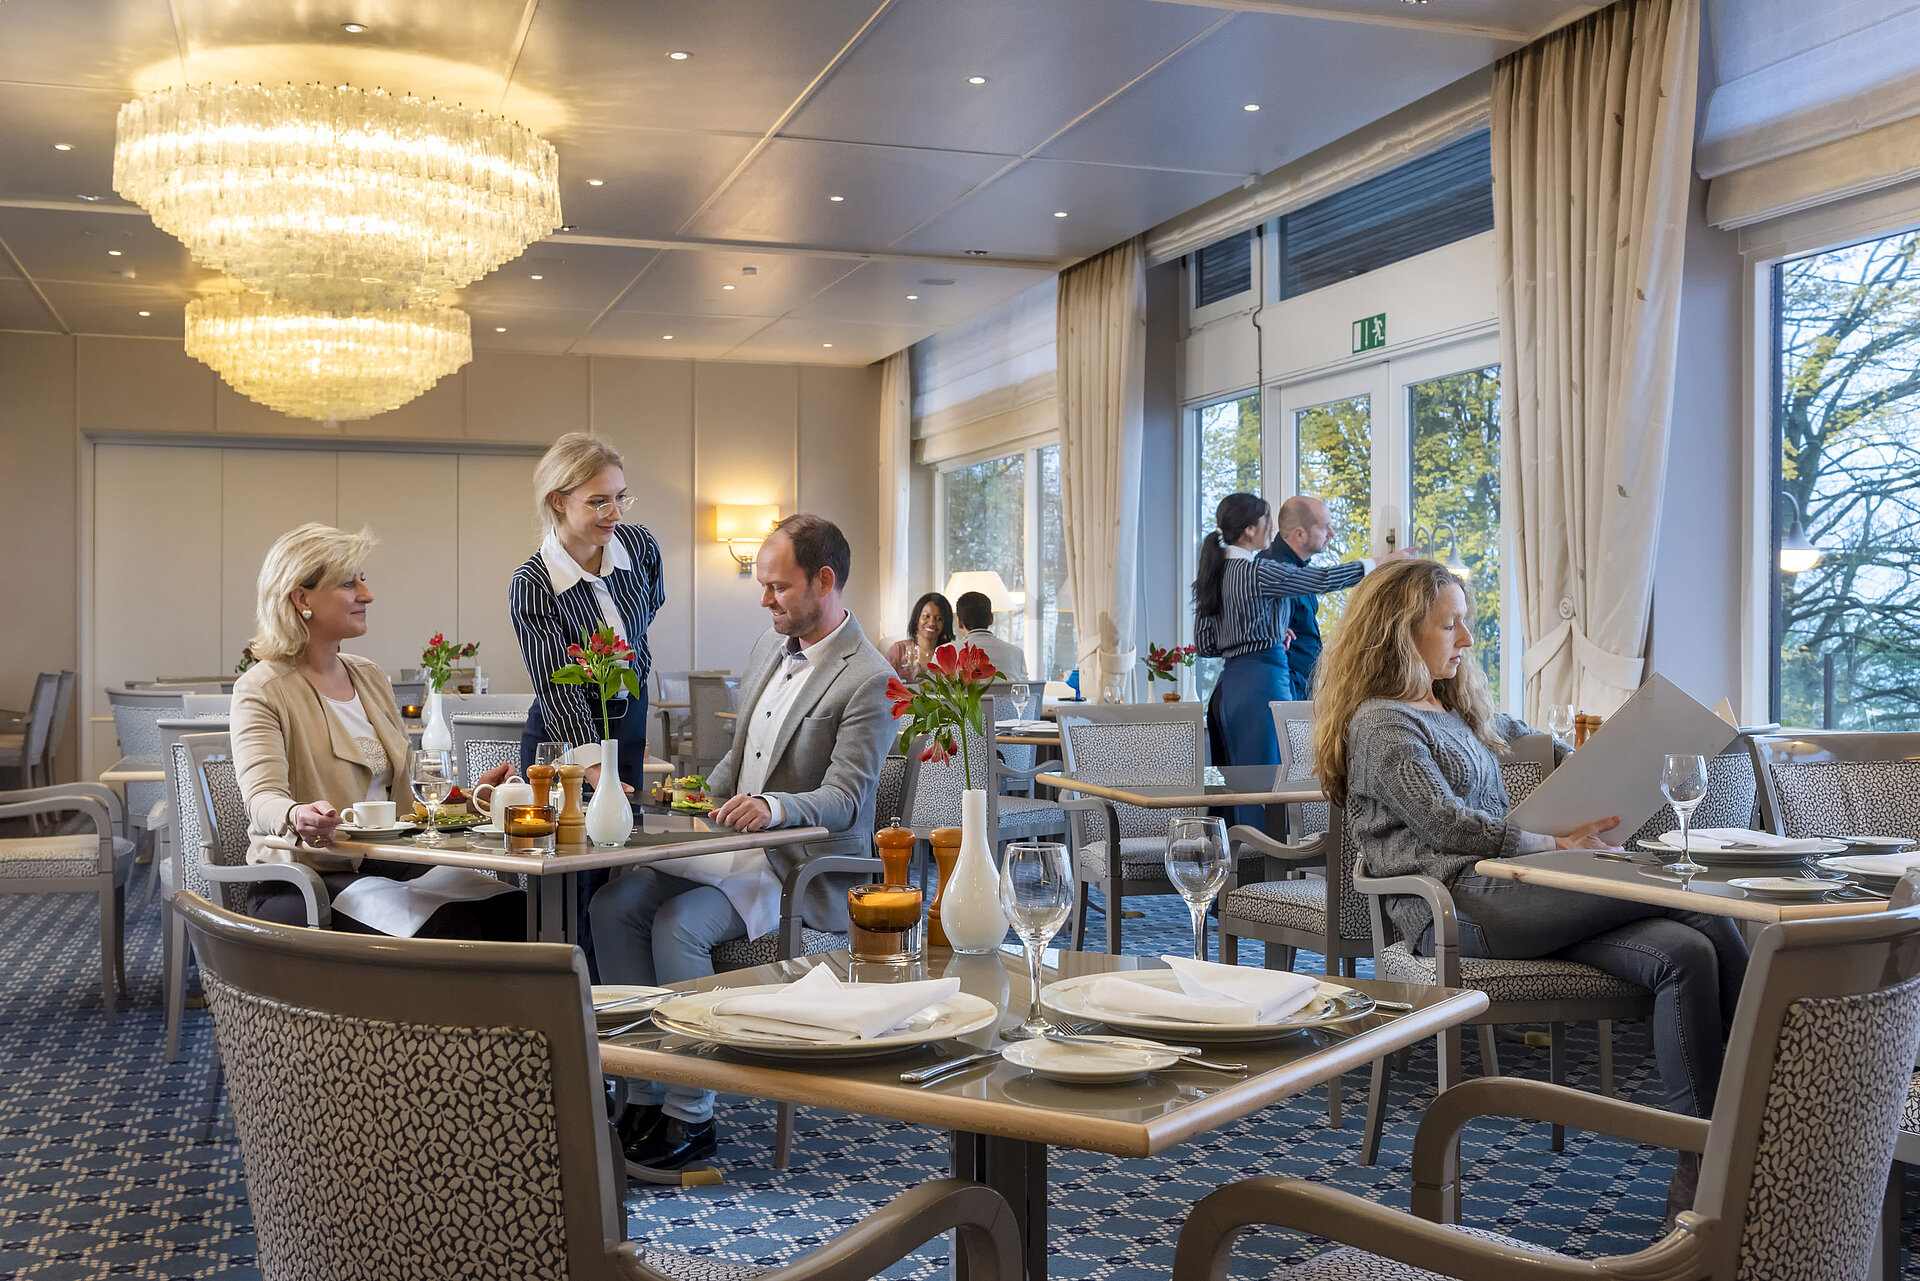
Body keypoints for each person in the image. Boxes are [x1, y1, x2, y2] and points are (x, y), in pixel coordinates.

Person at [1314, 558, 1745, 1214]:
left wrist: (1609, 759)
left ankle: (1703, 1163)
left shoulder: (1454, 707)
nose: (1466, 639)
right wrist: (1553, 845)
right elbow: (1446, 822)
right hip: (1457, 908)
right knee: (1698, 906)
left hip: (1518, 898)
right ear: (1400, 632)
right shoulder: (1382, 722)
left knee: (1685, 952)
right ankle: (1781, 1100)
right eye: (1450, 625)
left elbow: (1542, 742)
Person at [590, 513, 895, 1176]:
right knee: (613, 904)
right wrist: (701, 792)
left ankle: (692, 1115)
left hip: (798, 864)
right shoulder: (768, 646)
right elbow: (742, 754)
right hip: (732, 847)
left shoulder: (869, 678)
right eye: (763, 585)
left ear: (824, 581)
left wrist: (773, 806)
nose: (764, 600)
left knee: (677, 922)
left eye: (778, 587)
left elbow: (847, 796)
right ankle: (643, 1091)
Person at [230, 523, 524, 939]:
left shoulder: (369, 676)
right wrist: (297, 815)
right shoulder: (262, 688)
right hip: (304, 879)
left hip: (388, 864)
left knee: (515, 911)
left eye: (362, 581)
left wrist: (472, 800)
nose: (367, 595)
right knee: (451, 928)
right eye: (349, 584)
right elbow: (261, 798)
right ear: (302, 598)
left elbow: (401, 802)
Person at [508, 433, 664, 971]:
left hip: (628, 719)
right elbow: (557, 685)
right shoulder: (534, 583)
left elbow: (647, 613)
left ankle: (610, 997)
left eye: (620, 497)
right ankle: (564, 995)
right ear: (559, 500)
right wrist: (594, 766)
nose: (614, 513)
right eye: (598, 501)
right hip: (563, 734)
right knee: (571, 874)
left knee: (616, 863)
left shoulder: (639, 547)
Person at [1194, 491, 1398, 827]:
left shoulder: (1213, 575)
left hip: (1231, 687)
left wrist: (1266, 636)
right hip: (1263, 683)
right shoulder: (1257, 572)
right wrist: (1376, 564)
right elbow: (1320, 580)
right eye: (1266, 522)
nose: (1271, 529)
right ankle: (1268, 856)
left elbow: (1206, 645)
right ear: (1250, 529)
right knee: (1270, 786)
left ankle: (1242, 854)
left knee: (1241, 786)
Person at [1271, 495, 1347, 699]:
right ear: (1300, 534)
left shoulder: (1300, 569)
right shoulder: (1275, 572)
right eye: (1325, 527)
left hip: (1301, 685)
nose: (1331, 533)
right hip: (1285, 688)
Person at [953, 590, 1027, 683]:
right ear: (991, 619)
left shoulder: (946, 651)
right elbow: (1026, 689)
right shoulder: (1017, 653)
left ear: (959, 622)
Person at [884, 591, 953, 679]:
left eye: (939, 618)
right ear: (917, 618)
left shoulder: (949, 654)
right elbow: (883, 681)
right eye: (926, 616)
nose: (931, 623)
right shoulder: (899, 650)